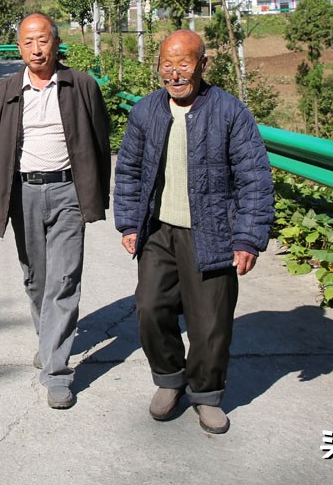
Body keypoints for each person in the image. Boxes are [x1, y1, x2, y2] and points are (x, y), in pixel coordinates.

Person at [113, 29, 273, 434]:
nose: (175, 73)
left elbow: (254, 177)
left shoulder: (229, 111)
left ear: (203, 64)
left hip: (213, 231)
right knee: (150, 308)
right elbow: (128, 169)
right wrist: (129, 222)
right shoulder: (146, 111)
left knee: (210, 323)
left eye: (184, 64)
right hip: (158, 231)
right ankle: (169, 378)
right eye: (167, 64)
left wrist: (248, 238)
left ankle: (206, 393)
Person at [0, 13, 111, 409]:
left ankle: (56, 371)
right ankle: (50, 341)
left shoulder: (81, 86)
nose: (37, 49)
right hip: (23, 194)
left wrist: (96, 193)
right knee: (36, 279)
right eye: (29, 42)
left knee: (64, 279)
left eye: (43, 40)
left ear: (56, 43)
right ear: (19, 47)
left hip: (68, 191)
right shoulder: (3, 94)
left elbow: (100, 141)